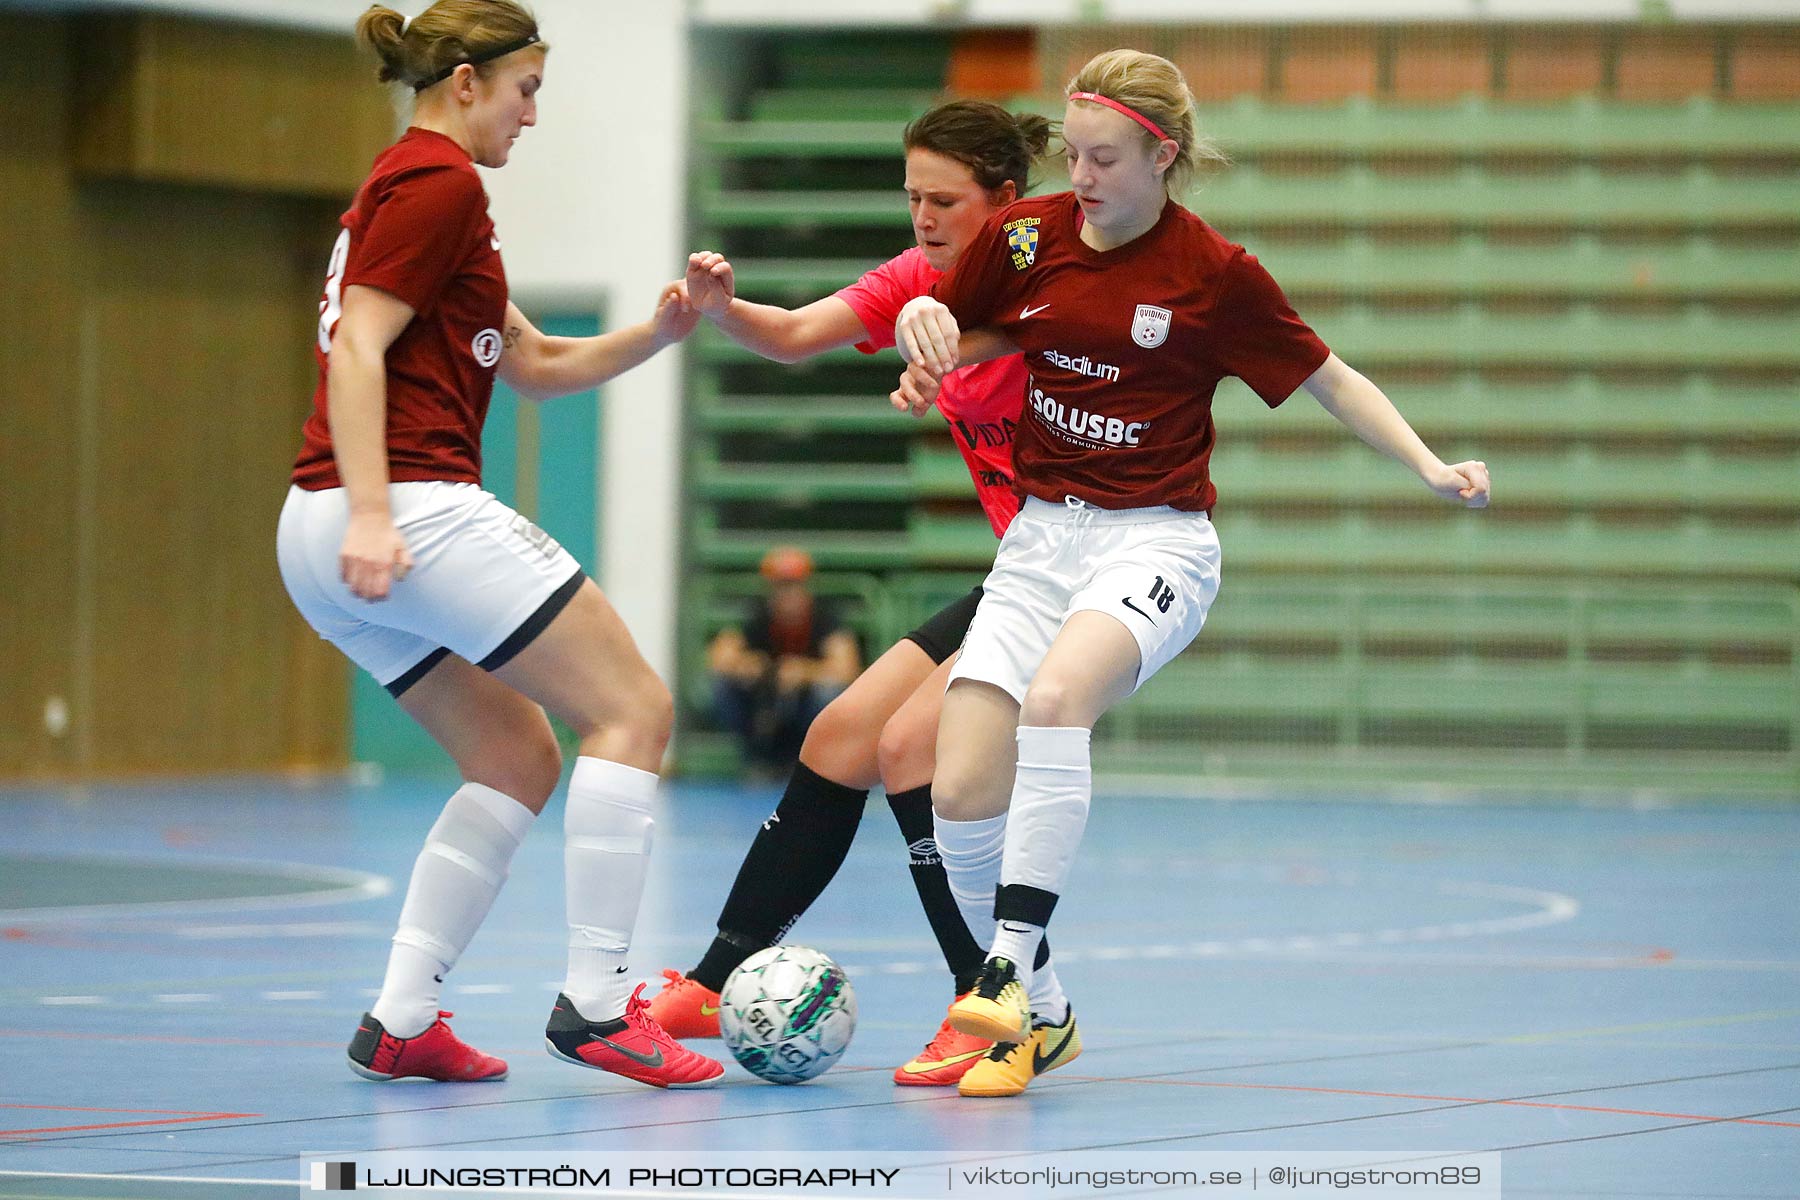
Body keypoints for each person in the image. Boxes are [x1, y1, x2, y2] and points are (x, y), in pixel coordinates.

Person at [893, 48, 1491, 1097]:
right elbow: (960, 320)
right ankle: (1048, 1013)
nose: (1080, 176)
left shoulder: (1213, 274)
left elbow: (1331, 379)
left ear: (1162, 155)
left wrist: (1431, 465)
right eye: (1072, 154)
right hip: (1041, 539)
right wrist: (922, 329)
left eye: (1105, 158)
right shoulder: (1026, 233)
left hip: (1154, 539)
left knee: (1059, 699)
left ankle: (1000, 969)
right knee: (958, 790)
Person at [277, 0, 721, 1089]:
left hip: (314, 527)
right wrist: (379, 512)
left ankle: (401, 1017)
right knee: (635, 709)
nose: (532, 116)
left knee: (517, 755)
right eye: (525, 91)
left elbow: (531, 362)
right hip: (403, 503)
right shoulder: (437, 184)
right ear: (465, 82)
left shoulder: (414, 191)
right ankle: (601, 1003)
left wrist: (659, 333)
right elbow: (359, 352)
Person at [648, 101, 1077, 1094]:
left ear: (1005, 204)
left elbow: (1007, 342)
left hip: (1082, 572)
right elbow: (797, 333)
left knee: (906, 749)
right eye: (911, 197)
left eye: (945, 201)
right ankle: (716, 980)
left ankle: (993, 1005)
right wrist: (720, 308)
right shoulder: (917, 277)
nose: (923, 217)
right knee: (841, 733)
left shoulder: (1055, 282)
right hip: (1020, 568)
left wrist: (948, 351)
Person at [708, 545, 862, 776]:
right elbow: (719, 657)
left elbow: (847, 668)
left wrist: (805, 672)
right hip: (765, 704)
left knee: (828, 693)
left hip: (806, 705)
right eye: (781, 585)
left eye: (795, 585)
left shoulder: (824, 617)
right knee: (723, 687)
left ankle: (811, 759)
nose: (788, 593)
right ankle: (758, 755)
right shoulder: (759, 614)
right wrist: (746, 665)